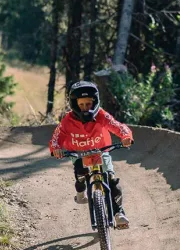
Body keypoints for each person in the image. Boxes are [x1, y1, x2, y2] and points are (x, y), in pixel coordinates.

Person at [49, 81, 134, 229]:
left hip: (101, 150)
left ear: (95, 102)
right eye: (81, 105)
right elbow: (56, 138)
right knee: (80, 173)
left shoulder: (101, 115)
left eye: (88, 104)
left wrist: (126, 136)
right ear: (74, 104)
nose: (85, 108)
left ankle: (118, 213)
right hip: (78, 153)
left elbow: (117, 126)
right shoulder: (67, 120)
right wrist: (55, 148)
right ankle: (80, 192)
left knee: (112, 181)